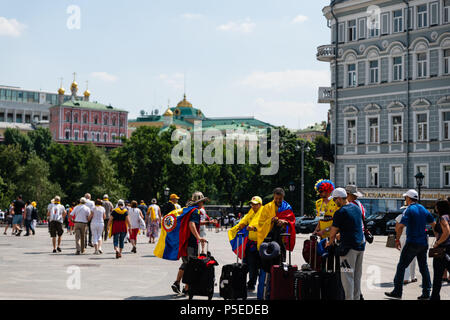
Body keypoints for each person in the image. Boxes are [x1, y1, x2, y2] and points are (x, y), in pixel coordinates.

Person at [385, 189, 436, 300]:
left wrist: (397, 240)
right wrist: (437, 238)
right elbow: (434, 224)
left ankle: (397, 291)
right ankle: (426, 292)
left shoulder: (409, 210)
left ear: (408, 198)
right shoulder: (423, 209)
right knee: (423, 267)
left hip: (412, 242)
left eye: (405, 198)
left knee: (401, 266)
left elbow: (399, 226)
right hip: (423, 243)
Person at [325, 188, 365, 300]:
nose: (333, 202)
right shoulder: (356, 208)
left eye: (334, 200)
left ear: (338, 198)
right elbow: (353, 226)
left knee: (347, 277)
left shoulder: (340, 212)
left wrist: (329, 242)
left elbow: (332, 232)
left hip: (348, 249)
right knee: (357, 277)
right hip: (360, 247)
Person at [171, 192, 208, 295]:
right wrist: (198, 237)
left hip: (183, 240)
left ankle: (179, 284)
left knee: (186, 263)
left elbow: (195, 223)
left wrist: (208, 222)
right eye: (202, 201)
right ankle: (185, 288)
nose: (203, 203)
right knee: (191, 265)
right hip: (191, 242)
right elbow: (191, 224)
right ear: (199, 202)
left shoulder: (188, 210)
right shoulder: (196, 211)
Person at [248, 188, 296, 264]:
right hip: (269, 237)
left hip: (282, 237)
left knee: (281, 260)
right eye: (276, 198)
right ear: (273, 197)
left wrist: (284, 222)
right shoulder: (267, 207)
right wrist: (271, 220)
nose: (278, 200)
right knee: (269, 261)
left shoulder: (287, 207)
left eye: (280, 199)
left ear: (283, 197)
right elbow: (261, 223)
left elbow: (292, 221)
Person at [233, 196, 263, 291]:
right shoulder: (250, 213)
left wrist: (253, 228)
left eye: (255, 204)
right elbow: (244, 221)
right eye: (252, 204)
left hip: (261, 244)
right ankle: (250, 284)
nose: (253, 206)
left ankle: (257, 284)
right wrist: (238, 226)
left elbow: (265, 227)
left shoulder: (264, 213)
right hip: (251, 244)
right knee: (250, 265)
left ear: (260, 204)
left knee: (258, 266)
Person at [430, 200, 450, 300]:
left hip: (442, 250)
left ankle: (434, 297)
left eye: (436, 206)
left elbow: (447, 232)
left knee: (437, 276)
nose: (435, 208)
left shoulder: (443, 218)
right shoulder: (448, 217)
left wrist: (437, 243)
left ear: (440, 208)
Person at [395, 206, 417, 285]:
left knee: (404, 257)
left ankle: (405, 278)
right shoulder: (415, 217)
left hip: (403, 237)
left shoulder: (400, 217)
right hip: (413, 237)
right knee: (413, 258)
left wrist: (397, 239)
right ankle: (413, 276)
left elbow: (397, 229)